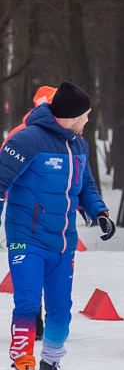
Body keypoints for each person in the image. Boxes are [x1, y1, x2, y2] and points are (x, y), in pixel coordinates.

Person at [0, 81, 115, 370]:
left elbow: (87, 186)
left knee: (61, 310)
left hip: (63, 243)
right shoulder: (26, 139)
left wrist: (100, 211)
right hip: (27, 238)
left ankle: (49, 366)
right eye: (86, 115)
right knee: (26, 304)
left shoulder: (79, 145)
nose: (88, 121)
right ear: (71, 114)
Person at [4, 85, 58, 340]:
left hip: (55, 220)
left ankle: (49, 318)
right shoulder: (21, 135)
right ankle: (34, 318)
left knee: (51, 273)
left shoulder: (66, 135)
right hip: (27, 219)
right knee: (31, 275)